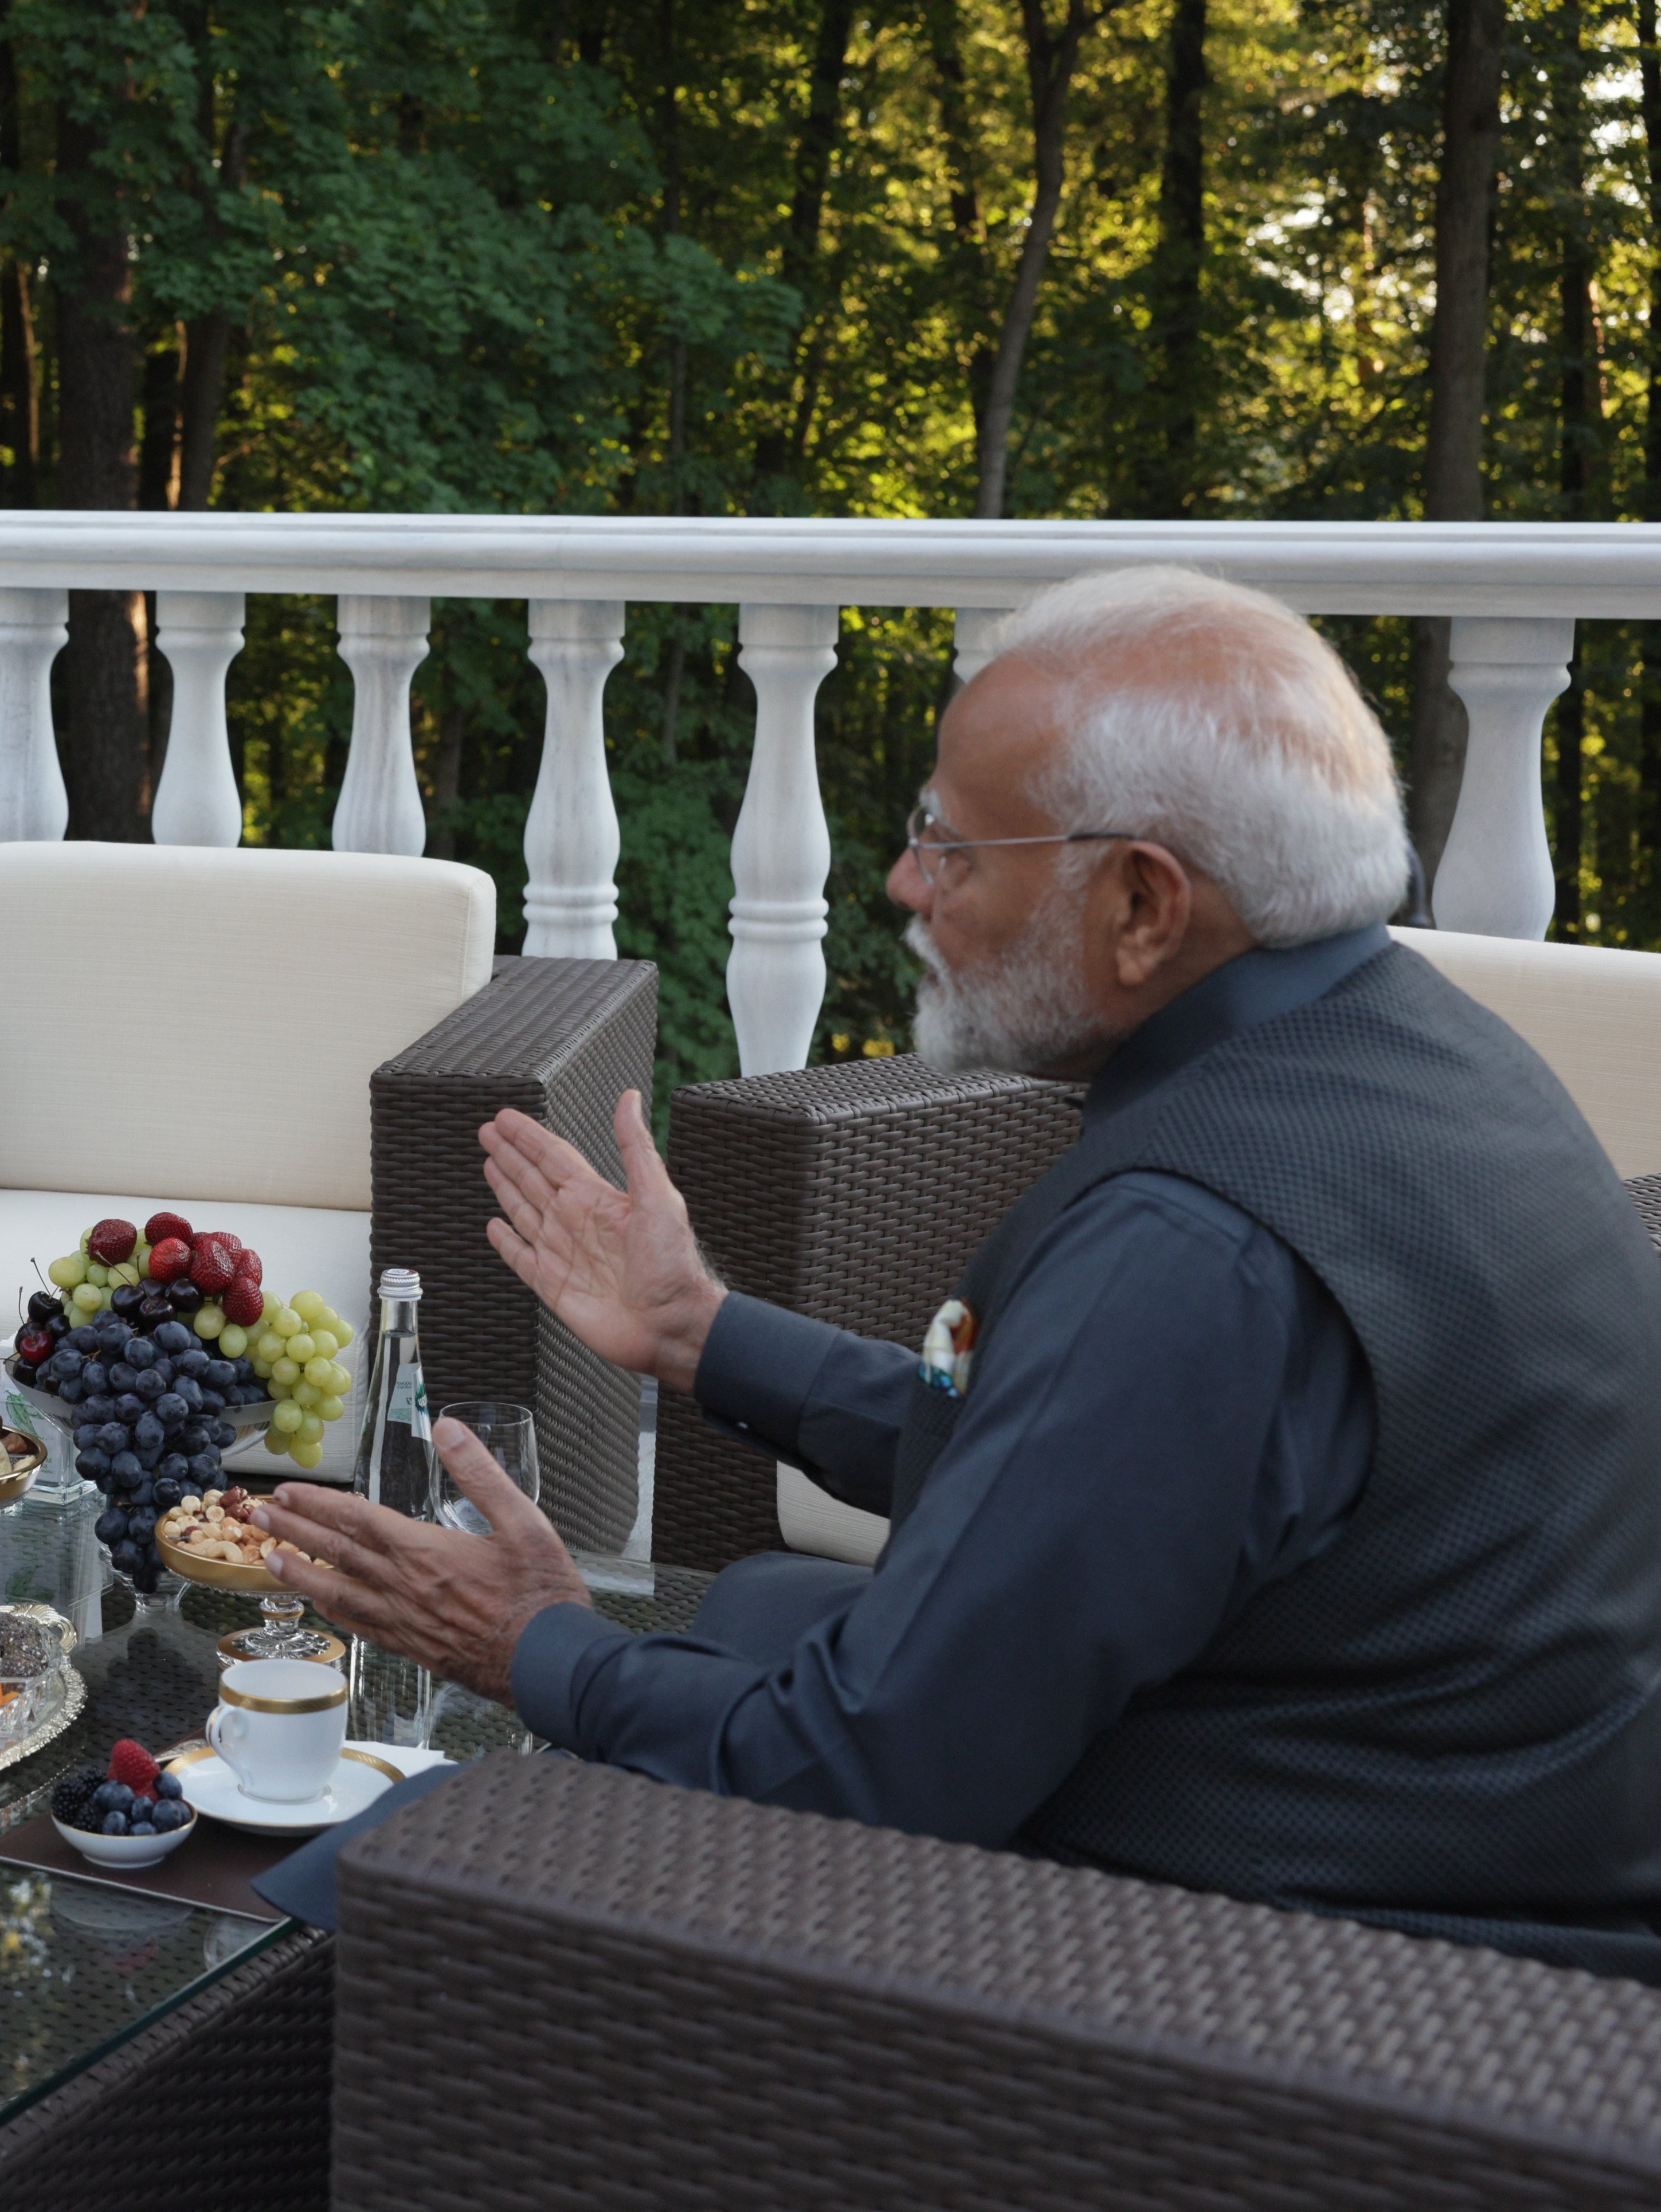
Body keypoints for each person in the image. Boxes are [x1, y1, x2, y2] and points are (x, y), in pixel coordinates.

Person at [248, 565, 1661, 1979]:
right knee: (751, 1603)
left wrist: (533, 1644)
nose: (904, 884)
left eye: (952, 846)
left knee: (369, 1875)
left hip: (1285, 1980)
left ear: (1143, 905)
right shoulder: (1424, 1050)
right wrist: (704, 1334)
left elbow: (858, 1777)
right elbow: (1106, 1463)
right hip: (1430, 1811)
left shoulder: (1188, 1252)